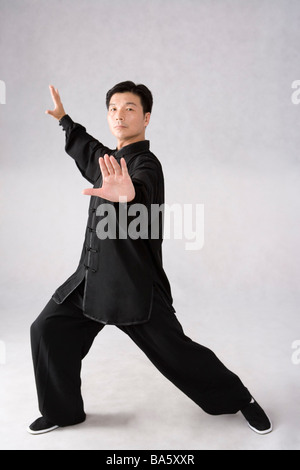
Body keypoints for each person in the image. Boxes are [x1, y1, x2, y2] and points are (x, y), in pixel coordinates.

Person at [28, 81, 272, 435]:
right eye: (113, 108)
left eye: (129, 108)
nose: (120, 115)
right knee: (48, 329)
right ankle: (62, 412)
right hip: (91, 278)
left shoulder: (145, 163)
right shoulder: (109, 161)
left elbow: (142, 189)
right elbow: (87, 148)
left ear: (146, 117)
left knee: (179, 354)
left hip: (133, 284)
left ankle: (239, 399)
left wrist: (129, 194)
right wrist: (65, 120)